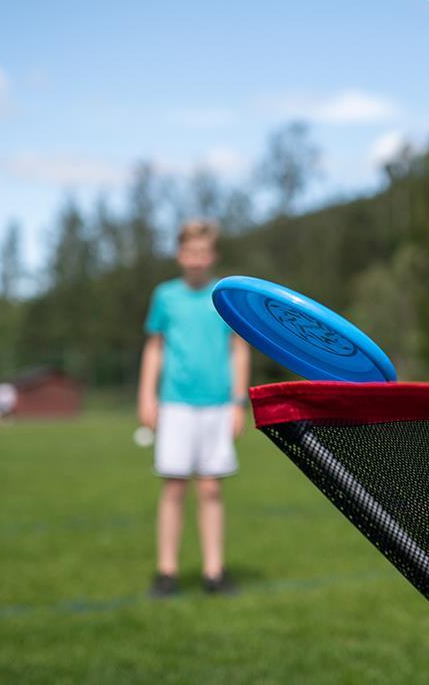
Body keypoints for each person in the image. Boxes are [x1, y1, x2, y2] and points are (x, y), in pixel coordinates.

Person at [138, 220, 250, 597]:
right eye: (190, 252)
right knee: (173, 488)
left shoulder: (225, 296)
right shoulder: (165, 296)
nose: (197, 259)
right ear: (179, 254)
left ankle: (214, 572)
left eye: (203, 252)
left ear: (213, 255)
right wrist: (146, 396)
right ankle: (166, 572)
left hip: (218, 406)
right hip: (175, 405)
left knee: (211, 490)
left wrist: (239, 404)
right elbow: (154, 347)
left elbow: (239, 349)